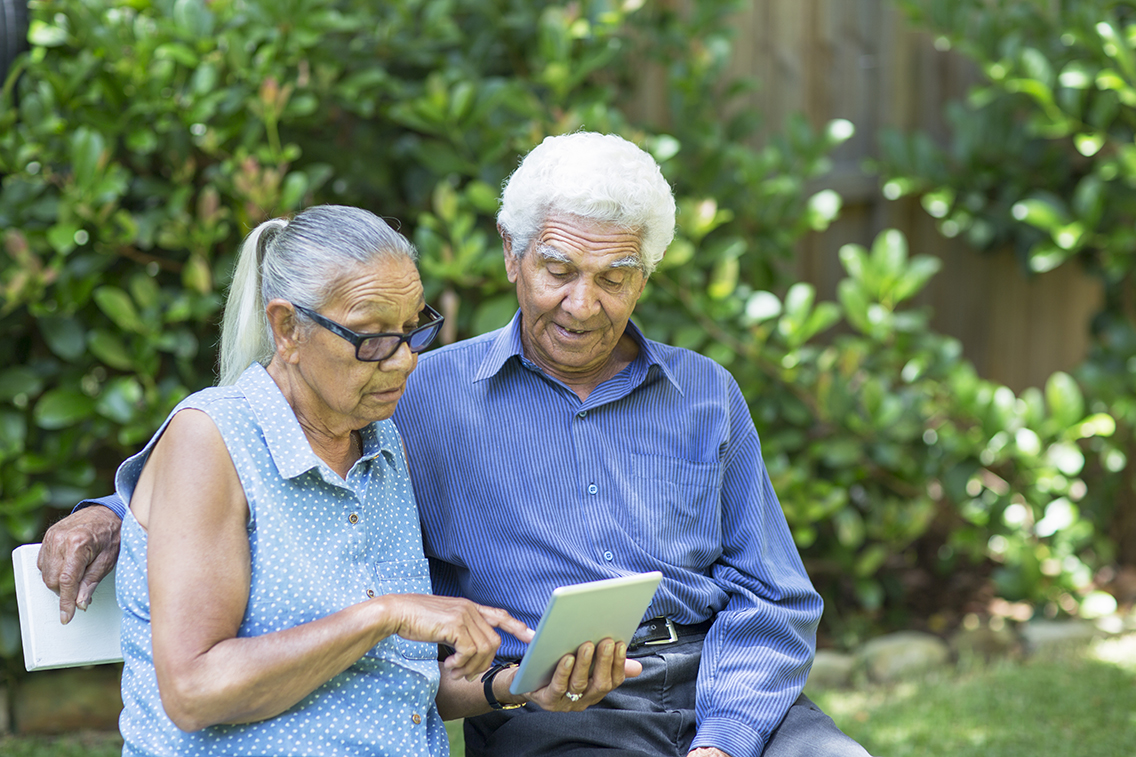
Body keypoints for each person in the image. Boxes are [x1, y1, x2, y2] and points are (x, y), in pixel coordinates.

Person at [41, 134, 869, 756]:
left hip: (702, 689)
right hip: (565, 719)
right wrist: (111, 512)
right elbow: (233, 447)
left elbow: (774, 592)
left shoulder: (700, 393)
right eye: (557, 269)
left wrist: (722, 737)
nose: (583, 304)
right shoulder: (414, 394)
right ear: (511, 257)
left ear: (644, 275)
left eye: (613, 276)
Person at [73, 204, 630, 757]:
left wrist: (517, 685)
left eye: (412, 330)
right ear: (287, 328)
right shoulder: (213, 438)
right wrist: (384, 615)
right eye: (371, 338)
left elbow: (391, 688)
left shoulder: (381, 441)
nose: (404, 362)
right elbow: (196, 691)